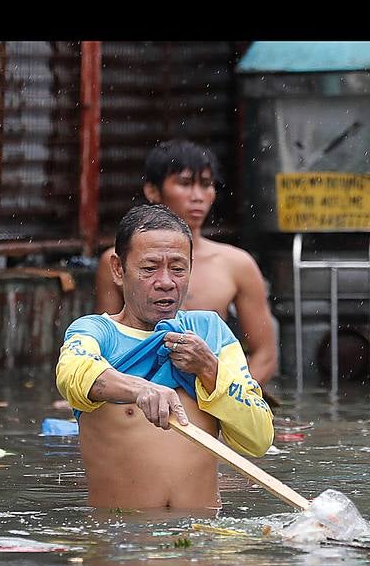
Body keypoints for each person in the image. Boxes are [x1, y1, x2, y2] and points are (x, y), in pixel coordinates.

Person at [59, 204, 274, 509]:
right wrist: (139, 389)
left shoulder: (210, 331)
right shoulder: (95, 331)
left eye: (177, 268)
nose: (166, 281)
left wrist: (209, 370)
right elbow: (74, 374)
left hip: (203, 541)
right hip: (122, 542)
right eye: (149, 268)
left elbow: (259, 438)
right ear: (119, 270)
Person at [95, 139, 278, 386]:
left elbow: (265, 354)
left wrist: (234, 398)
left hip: (210, 389)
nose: (198, 197)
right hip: (136, 395)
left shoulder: (237, 264)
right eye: (184, 183)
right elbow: (103, 346)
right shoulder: (115, 261)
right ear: (152, 191)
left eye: (206, 185)